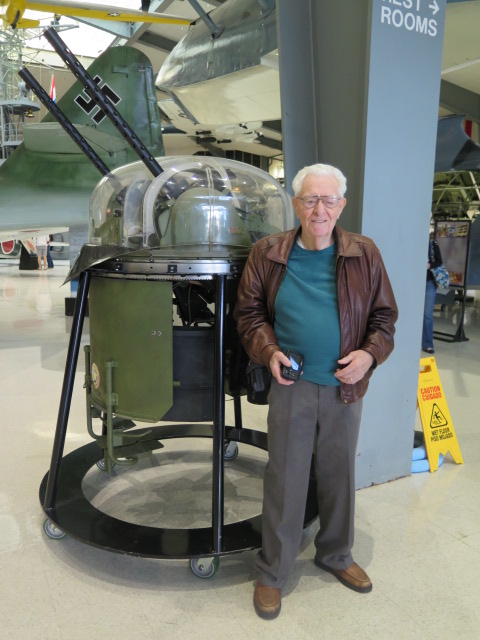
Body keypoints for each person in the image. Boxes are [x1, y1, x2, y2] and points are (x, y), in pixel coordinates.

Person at [234, 163, 398, 620]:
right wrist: (268, 352)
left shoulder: (364, 253)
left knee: (338, 473)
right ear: (296, 203)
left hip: (346, 386)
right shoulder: (268, 253)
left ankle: (336, 554)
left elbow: (385, 319)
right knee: (285, 476)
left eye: (328, 200)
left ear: (341, 205)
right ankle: (273, 571)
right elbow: (248, 314)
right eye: (310, 199)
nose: (319, 209)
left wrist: (369, 356)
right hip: (293, 385)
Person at [422, 236, 443, 354]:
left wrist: (429, 265)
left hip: (429, 282)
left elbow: (439, 261)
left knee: (427, 314)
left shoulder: (432, 243)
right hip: (415, 283)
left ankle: (427, 344)